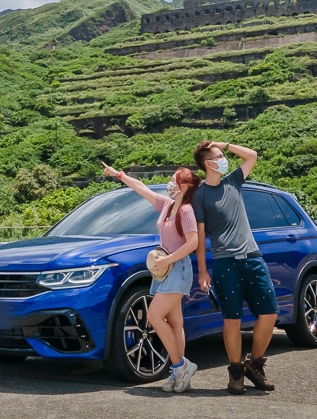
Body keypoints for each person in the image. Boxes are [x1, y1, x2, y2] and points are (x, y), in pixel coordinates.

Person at [101, 161, 202, 393]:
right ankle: (179, 374)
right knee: (175, 322)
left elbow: (193, 243)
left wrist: (168, 259)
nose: (170, 184)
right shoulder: (167, 206)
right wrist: (119, 175)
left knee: (154, 316)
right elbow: (142, 188)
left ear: (184, 187)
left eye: (174, 181)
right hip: (163, 269)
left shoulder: (186, 210)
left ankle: (181, 365)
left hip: (177, 268)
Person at [191, 140, 278, 393]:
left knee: (269, 313)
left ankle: (255, 363)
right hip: (225, 262)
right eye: (218, 156)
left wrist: (224, 144)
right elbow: (199, 234)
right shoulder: (201, 195)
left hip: (253, 256)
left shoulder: (233, 181)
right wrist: (203, 270)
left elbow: (252, 155)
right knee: (232, 319)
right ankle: (236, 372)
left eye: (222, 155)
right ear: (208, 164)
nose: (223, 158)